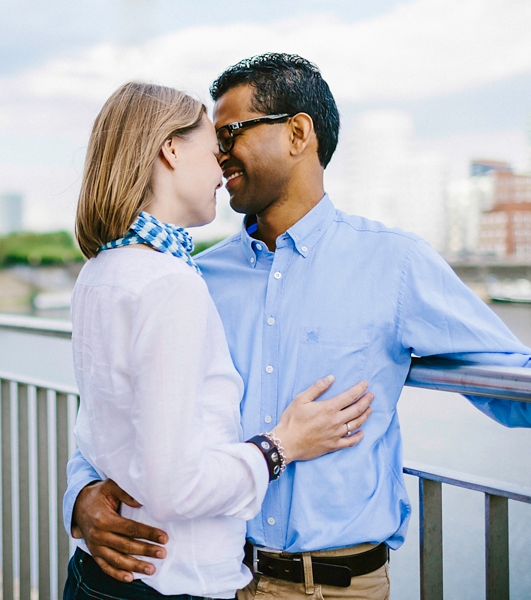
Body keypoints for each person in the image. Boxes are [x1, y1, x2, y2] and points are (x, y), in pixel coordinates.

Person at [65, 54, 531, 600]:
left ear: (297, 133)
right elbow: (114, 409)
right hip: (214, 576)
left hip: (337, 588)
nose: (218, 155)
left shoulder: (395, 264)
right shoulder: (193, 277)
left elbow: (512, 380)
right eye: (211, 139)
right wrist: (83, 493)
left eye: (230, 132)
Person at [64, 81, 374, 600]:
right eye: (213, 151)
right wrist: (281, 447)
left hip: (110, 577)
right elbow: (174, 483)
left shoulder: (100, 272)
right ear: (170, 149)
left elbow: (101, 424)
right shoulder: (170, 283)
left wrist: (81, 494)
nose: (221, 170)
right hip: (173, 579)